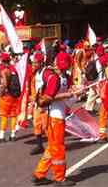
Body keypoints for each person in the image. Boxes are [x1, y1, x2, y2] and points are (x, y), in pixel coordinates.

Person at [32, 51, 76, 187]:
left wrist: (75, 92)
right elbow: (48, 98)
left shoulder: (64, 77)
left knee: (52, 147)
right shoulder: (54, 77)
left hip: (58, 116)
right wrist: (67, 94)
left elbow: (66, 93)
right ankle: (60, 178)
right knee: (58, 149)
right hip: (54, 117)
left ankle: (39, 174)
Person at [0, 53, 20, 143]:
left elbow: (4, 84)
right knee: (13, 115)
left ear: (3, 61)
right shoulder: (14, 69)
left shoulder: (4, 71)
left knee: (4, 116)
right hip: (14, 95)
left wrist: (0, 94)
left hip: (6, 96)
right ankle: (13, 135)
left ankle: (1, 136)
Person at [30, 52, 48, 155]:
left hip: (45, 104)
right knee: (36, 124)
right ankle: (39, 145)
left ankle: (52, 145)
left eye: (35, 62)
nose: (33, 64)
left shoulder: (46, 73)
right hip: (37, 103)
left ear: (41, 63)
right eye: (33, 62)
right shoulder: (35, 73)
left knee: (46, 126)